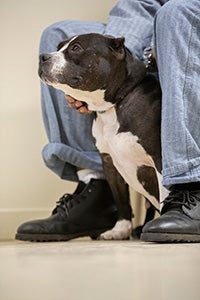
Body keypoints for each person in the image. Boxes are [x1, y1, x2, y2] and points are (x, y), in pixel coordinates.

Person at [16, 0, 200, 243]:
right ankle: (97, 188)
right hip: (154, 28)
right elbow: (141, 4)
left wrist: (161, 39)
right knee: (56, 32)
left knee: (177, 13)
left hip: (183, 22)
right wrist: (124, 53)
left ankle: (189, 188)